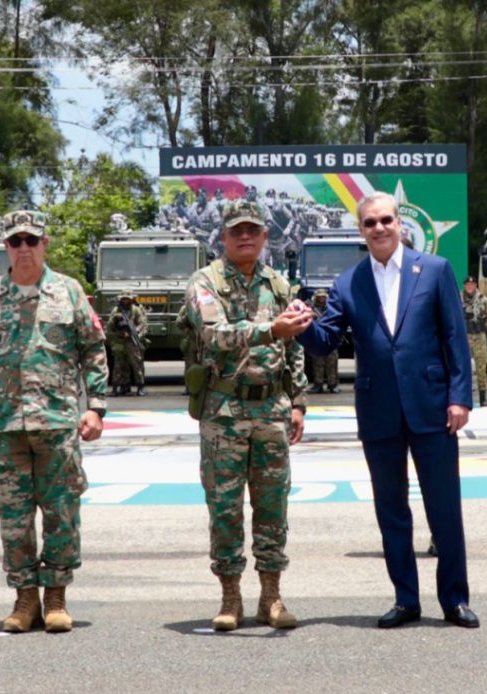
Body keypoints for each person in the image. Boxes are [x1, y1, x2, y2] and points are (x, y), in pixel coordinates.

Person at [296, 192, 479, 629]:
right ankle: (405, 599)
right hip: (378, 409)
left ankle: (454, 600)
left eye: (386, 220)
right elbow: (326, 342)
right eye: (370, 223)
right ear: (361, 231)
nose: (379, 228)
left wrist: (460, 397)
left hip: (433, 408)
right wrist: (301, 325)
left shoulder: (434, 271)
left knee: (444, 507)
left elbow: (455, 338)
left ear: (400, 225)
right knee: (391, 510)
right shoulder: (348, 283)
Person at [0, 210, 108, 634]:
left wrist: (95, 406)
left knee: (62, 511)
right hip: (6, 428)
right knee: (14, 516)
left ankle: (56, 595)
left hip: (58, 423)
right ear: (5, 247)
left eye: (31, 240)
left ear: (44, 244)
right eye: (15, 241)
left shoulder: (69, 291)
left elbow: (93, 349)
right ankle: (25, 598)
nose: (23, 248)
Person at [183, 198, 310, 632]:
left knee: (273, 504)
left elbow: (293, 348)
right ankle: (230, 597)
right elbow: (214, 335)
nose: (244, 236)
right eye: (236, 230)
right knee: (225, 506)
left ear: (264, 236)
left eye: (252, 230)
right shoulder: (206, 281)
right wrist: (271, 330)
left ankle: (271, 597)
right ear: (223, 236)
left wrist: (297, 402)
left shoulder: (277, 284)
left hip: (271, 409)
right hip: (223, 411)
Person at [106, 292, 149, 396]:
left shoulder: (136, 310)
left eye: (127, 299)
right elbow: (110, 327)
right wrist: (115, 319)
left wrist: (135, 332)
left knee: (137, 364)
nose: (125, 301)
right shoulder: (116, 310)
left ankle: (140, 386)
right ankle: (118, 387)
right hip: (120, 340)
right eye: (123, 299)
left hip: (132, 340)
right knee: (119, 365)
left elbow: (142, 323)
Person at [462, 276, 487, 407]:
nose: (470, 286)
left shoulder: (482, 299)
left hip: (479, 337)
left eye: (472, 284)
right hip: (464, 336)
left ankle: (483, 397)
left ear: (476, 285)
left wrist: (482, 326)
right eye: (468, 284)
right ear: (465, 286)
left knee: (481, 366)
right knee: (463, 367)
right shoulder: (459, 298)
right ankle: (464, 396)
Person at [306, 289, 340, 394]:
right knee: (317, 363)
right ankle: (318, 384)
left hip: (330, 338)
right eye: (320, 297)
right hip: (317, 339)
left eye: (323, 297)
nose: (322, 299)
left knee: (332, 363)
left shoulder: (331, 308)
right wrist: (312, 317)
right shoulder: (311, 309)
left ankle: (332, 385)